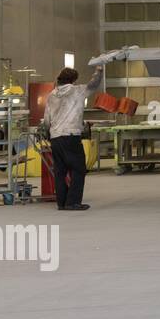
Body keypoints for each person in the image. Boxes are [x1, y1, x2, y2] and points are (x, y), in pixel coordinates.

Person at [42, 63, 105, 211]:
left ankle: (62, 202)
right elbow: (94, 84)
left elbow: (46, 119)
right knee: (78, 169)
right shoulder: (77, 91)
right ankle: (73, 202)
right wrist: (99, 71)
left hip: (56, 138)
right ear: (73, 80)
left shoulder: (51, 95)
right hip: (71, 137)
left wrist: (48, 134)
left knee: (60, 172)